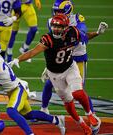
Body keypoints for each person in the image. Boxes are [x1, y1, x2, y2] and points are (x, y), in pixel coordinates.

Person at [9, 13, 103, 135]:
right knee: (68, 103)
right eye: (54, 26)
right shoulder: (48, 39)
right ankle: (82, 124)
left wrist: (97, 33)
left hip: (70, 68)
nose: (55, 28)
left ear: (66, 27)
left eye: (59, 27)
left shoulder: (73, 32)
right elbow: (33, 51)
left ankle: (89, 114)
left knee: (78, 92)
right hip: (55, 74)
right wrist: (18, 59)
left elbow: (85, 37)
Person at [40, 1, 107, 134]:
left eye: (59, 11)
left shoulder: (77, 19)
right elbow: (52, 44)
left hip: (77, 57)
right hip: (61, 57)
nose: (56, 14)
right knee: (49, 83)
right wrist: (48, 65)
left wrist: (96, 33)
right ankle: (44, 109)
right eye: (55, 11)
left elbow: (82, 35)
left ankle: (92, 116)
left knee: (79, 91)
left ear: (68, 10)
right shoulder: (52, 21)